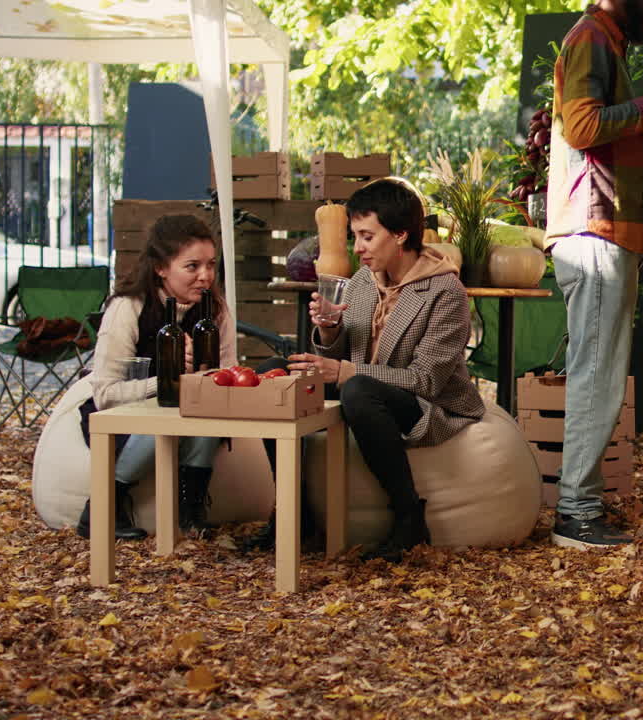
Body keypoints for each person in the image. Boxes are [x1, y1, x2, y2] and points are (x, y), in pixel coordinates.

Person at [243, 178, 484, 562]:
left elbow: (425, 380)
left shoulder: (446, 292)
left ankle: (409, 517)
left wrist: (344, 372)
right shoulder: (360, 282)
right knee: (277, 373)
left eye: (367, 237)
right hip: (365, 389)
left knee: (357, 388)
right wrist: (329, 328)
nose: (357, 248)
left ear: (401, 234)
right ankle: (294, 512)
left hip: (423, 400)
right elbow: (345, 355)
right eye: (355, 236)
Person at [545, 0, 643, 549]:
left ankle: (580, 506)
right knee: (597, 377)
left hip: (601, 232)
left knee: (599, 373)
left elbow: (605, 143)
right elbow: (583, 127)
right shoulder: (591, 37)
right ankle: (576, 513)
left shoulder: (605, 40)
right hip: (595, 233)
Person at [76, 214, 237, 540]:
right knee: (164, 414)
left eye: (211, 265)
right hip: (124, 413)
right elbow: (105, 393)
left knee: (204, 409)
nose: (205, 276)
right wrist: (171, 379)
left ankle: (191, 507)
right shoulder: (129, 307)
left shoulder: (216, 310)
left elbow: (228, 373)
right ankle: (105, 504)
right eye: (192, 266)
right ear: (161, 268)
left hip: (190, 410)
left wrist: (203, 379)